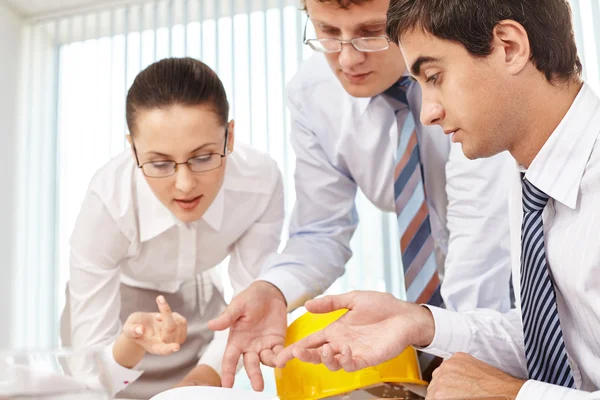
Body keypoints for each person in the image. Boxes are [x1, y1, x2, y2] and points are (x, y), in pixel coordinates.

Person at [275, 0, 600, 399]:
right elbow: (566, 342)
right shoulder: (533, 179)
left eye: (434, 76)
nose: (427, 113)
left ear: (509, 47)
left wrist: (512, 394)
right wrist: (420, 323)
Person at [208, 0, 515, 391]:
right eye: (329, 33)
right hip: (443, 311)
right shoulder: (313, 94)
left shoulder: (468, 70)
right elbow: (320, 231)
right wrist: (275, 289)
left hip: (518, 283)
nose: (347, 59)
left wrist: (460, 355)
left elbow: (481, 237)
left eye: (370, 33)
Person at [60, 57, 284, 399]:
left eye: (204, 157)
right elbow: (91, 375)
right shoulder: (108, 202)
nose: (184, 185)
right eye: (160, 163)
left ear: (230, 136)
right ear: (133, 150)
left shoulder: (260, 183)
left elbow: (249, 306)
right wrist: (131, 341)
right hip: (119, 309)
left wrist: (200, 379)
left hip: (202, 304)